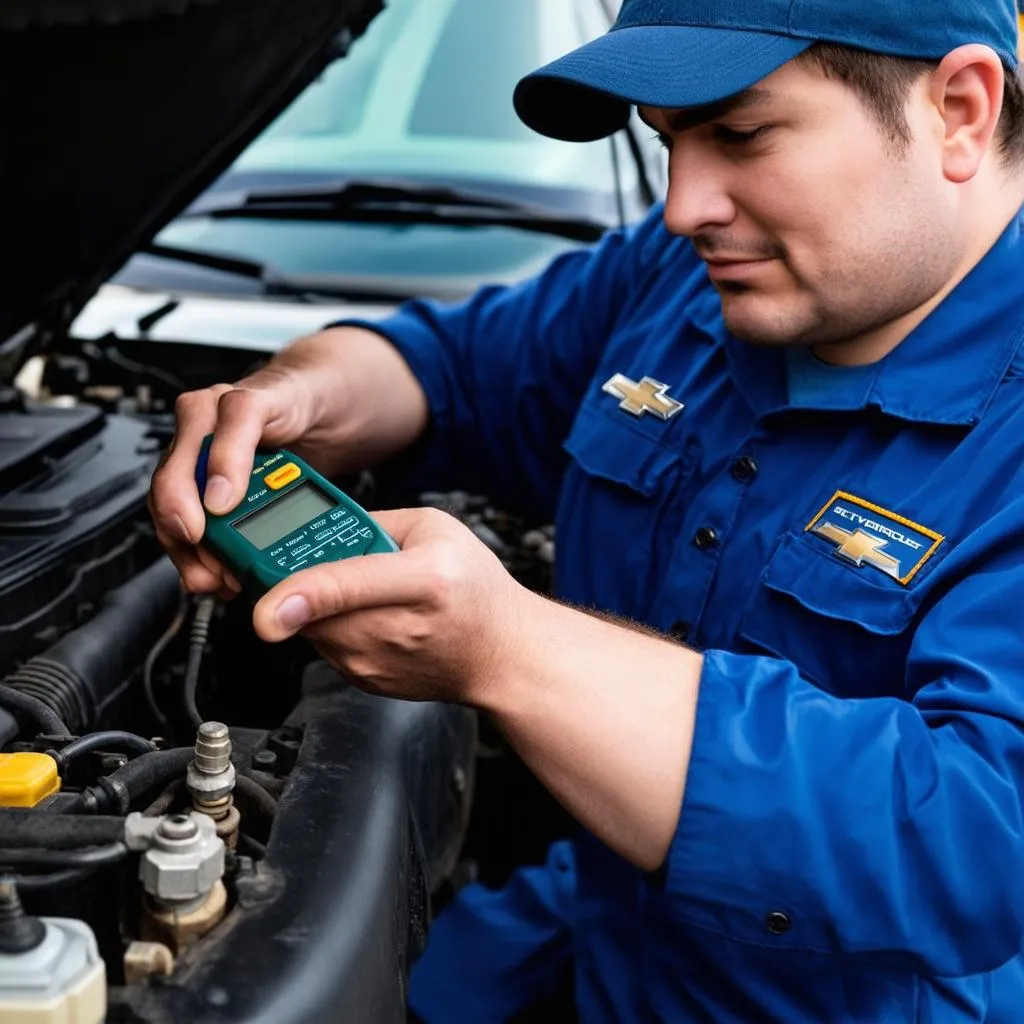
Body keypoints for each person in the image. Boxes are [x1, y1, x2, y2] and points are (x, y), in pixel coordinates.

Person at [150, 0, 1024, 1020]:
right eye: (666, 141)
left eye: (738, 133)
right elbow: (452, 368)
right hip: (593, 935)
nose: (683, 204)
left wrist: (510, 652)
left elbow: (974, 835)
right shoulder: (682, 281)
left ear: (958, 110)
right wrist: (293, 396)